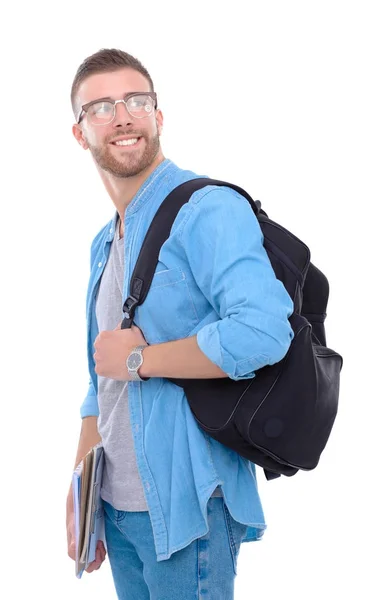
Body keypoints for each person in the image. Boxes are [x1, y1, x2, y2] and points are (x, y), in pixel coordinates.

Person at [65, 48, 294, 599]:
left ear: (158, 117)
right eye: (100, 107)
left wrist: (143, 360)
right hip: (118, 511)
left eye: (135, 101)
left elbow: (264, 330)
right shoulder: (104, 244)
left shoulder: (206, 209)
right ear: (80, 134)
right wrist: (81, 493)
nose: (122, 116)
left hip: (188, 510)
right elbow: (101, 381)